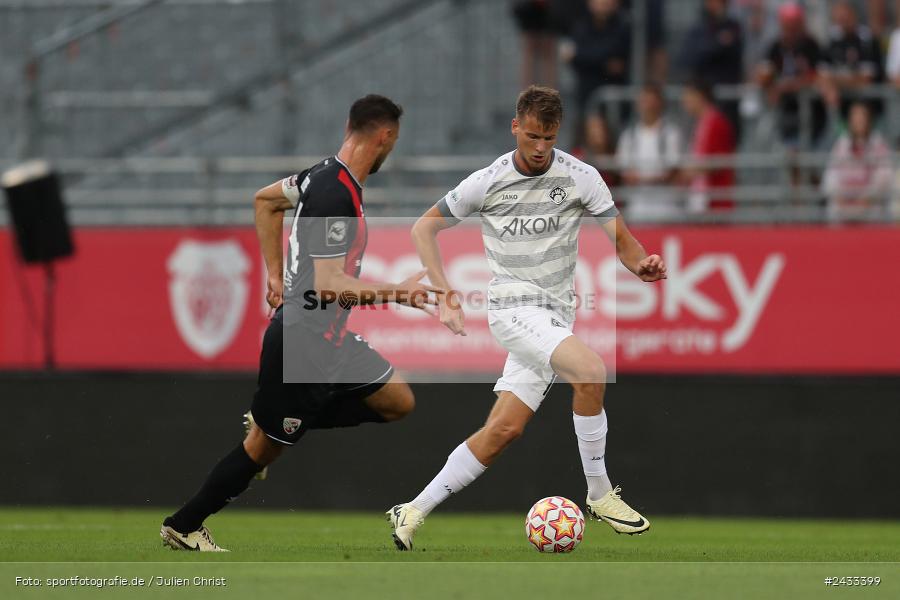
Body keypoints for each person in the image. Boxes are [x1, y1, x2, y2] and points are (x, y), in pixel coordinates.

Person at [387, 86, 667, 551]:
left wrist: (642, 265)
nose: (540, 148)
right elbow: (424, 227)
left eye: (549, 138)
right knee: (591, 371)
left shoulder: (581, 177)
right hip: (513, 308)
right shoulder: (487, 181)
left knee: (503, 431)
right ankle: (600, 494)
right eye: (532, 136)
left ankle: (412, 509)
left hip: (555, 317)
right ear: (515, 126)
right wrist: (445, 292)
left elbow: (623, 241)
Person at [160, 95, 441, 552]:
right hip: (303, 340)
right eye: (393, 142)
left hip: (329, 338)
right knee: (262, 449)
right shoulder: (335, 194)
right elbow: (329, 285)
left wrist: (274, 275)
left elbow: (266, 202)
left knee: (398, 401)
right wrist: (398, 292)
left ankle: (273, 419)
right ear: (385, 136)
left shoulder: (319, 176)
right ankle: (185, 524)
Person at [755, 2, 828, 148]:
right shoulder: (775, 47)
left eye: (794, 24)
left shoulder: (811, 45)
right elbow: (762, 74)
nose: (790, 29)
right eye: (787, 24)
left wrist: (785, 86)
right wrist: (769, 81)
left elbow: (818, 76)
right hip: (784, 113)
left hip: (812, 114)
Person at [615, 83, 683, 222]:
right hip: (638, 208)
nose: (647, 106)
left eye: (651, 102)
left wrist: (642, 179)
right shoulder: (629, 136)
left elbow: (673, 171)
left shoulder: (671, 134)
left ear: (660, 104)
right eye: (644, 101)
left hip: (667, 208)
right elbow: (624, 172)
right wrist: (653, 178)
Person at [678, 0, 744, 136]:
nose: (714, 5)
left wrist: (711, 47)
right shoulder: (698, 29)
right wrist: (718, 43)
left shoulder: (733, 26)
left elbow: (735, 52)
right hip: (705, 96)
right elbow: (689, 58)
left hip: (727, 100)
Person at [822, 100, 893, 222]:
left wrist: (867, 198)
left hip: (869, 203)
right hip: (844, 201)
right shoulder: (842, 144)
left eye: (862, 116)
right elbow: (830, 175)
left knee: (877, 208)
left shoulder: (878, 144)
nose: (858, 120)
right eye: (855, 116)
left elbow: (884, 176)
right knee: (832, 207)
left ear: (869, 120)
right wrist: (840, 197)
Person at [820, 0, 885, 118]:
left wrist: (834, 82)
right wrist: (829, 85)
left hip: (869, 106)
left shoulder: (867, 39)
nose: (843, 22)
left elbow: (865, 79)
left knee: (860, 116)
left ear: (854, 15)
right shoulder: (833, 40)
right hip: (842, 108)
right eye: (839, 19)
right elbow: (821, 75)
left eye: (845, 17)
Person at [680, 78, 736, 213]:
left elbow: (720, 161)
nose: (684, 101)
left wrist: (691, 170)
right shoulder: (702, 122)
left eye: (688, 96)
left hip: (715, 201)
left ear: (700, 96)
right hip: (703, 198)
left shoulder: (717, 122)